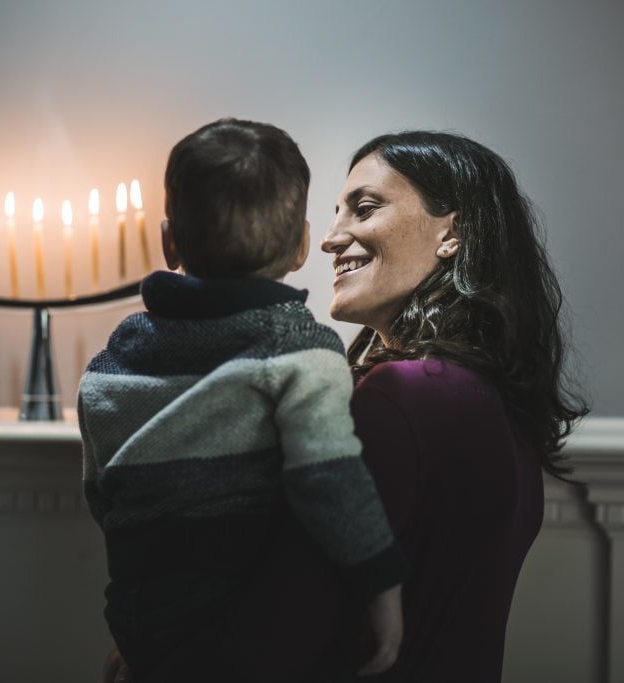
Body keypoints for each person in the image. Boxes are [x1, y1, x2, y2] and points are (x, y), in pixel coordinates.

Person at [229, 130, 589, 682]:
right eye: (335, 213)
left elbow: (286, 627)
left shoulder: (404, 395)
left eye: (364, 208)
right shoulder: (492, 398)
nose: (330, 239)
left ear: (453, 233)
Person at [78, 118, 408, 682]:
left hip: (138, 618)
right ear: (304, 244)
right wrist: (381, 582)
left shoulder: (113, 360)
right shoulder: (300, 348)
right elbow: (328, 476)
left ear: (169, 240)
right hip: (245, 622)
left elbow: (101, 493)